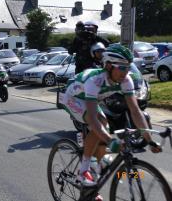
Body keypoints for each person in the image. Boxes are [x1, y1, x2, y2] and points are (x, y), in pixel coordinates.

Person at [63, 44, 161, 200]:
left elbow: (135, 111)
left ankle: (93, 180)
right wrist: (111, 141)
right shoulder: (95, 81)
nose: (126, 72)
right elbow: (93, 120)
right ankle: (83, 172)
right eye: (122, 68)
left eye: (128, 67)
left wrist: (149, 140)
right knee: (99, 126)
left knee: (104, 131)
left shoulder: (125, 79)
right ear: (108, 66)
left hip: (91, 99)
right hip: (73, 98)